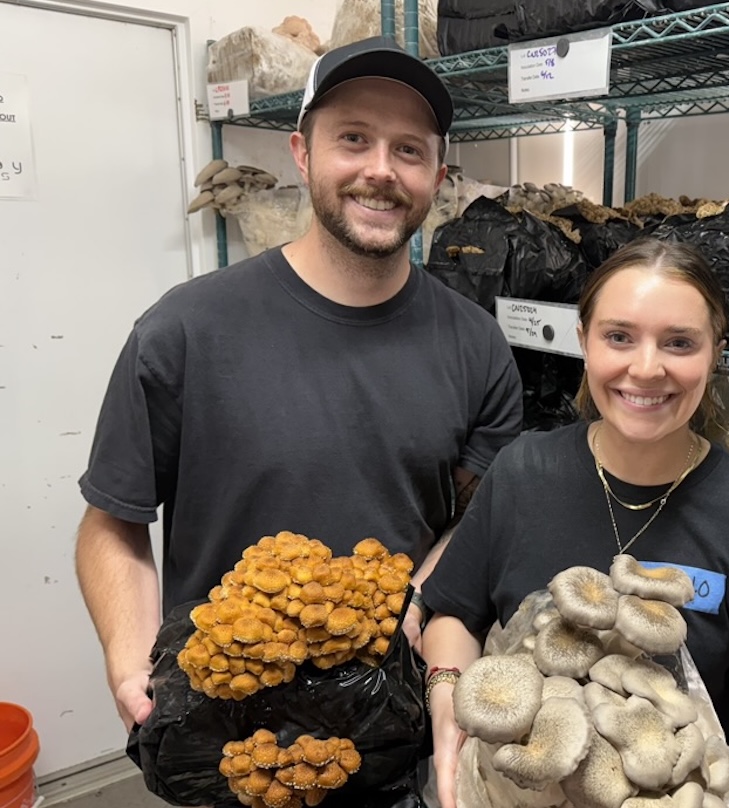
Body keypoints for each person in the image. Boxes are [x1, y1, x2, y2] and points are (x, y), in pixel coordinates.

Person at [75, 36, 522, 736]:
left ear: (438, 177)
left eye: (409, 150)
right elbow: (113, 521)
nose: (381, 170)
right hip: (224, 720)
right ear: (302, 153)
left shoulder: (477, 345)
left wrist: (418, 595)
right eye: (353, 138)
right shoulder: (185, 331)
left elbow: (472, 517)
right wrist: (129, 658)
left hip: (390, 720)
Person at [420, 237, 729, 808]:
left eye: (679, 343)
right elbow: (453, 615)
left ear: (714, 353)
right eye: (619, 336)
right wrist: (449, 703)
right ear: (583, 341)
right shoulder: (523, 472)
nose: (646, 369)